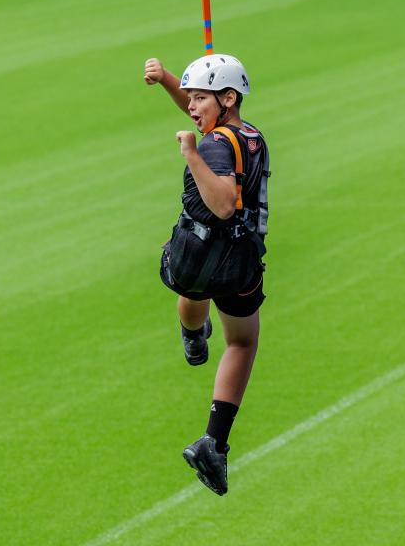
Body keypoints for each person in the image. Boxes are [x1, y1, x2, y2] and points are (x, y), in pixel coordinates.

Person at [144, 53, 270, 496]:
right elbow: (207, 118)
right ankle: (214, 442)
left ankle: (193, 334)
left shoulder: (211, 146)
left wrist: (190, 153)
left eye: (200, 98)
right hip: (238, 265)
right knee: (242, 342)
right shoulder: (248, 136)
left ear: (227, 98)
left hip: (192, 260)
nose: (192, 107)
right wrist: (168, 80)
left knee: (191, 289)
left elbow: (221, 204)